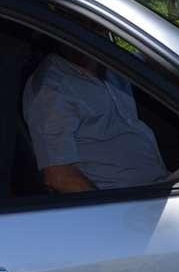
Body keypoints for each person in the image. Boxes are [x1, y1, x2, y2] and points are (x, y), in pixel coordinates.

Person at [22, 47, 168, 193]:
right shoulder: (51, 89)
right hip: (121, 198)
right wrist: (110, 206)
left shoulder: (110, 64)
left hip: (158, 184)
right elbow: (59, 176)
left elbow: (154, 58)